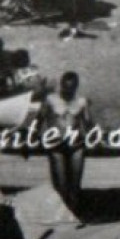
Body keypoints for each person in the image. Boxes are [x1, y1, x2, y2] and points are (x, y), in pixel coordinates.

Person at [41, 72, 91, 212]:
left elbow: (88, 123)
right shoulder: (50, 99)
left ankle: (73, 216)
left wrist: (94, 136)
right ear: (61, 85)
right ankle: (62, 216)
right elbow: (39, 120)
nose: (68, 90)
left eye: (71, 88)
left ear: (76, 87)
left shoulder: (82, 101)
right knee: (60, 187)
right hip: (56, 144)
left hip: (76, 145)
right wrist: (34, 138)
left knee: (75, 186)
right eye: (66, 87)